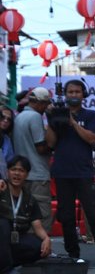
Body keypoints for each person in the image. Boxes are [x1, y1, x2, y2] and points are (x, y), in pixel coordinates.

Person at [46, 79, 95, 267]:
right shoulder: (57, 115)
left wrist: (72, 122)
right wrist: (52, 120)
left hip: (83, 172)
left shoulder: (90, 115)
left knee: (93, 214)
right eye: (70, 92)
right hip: (62, 172)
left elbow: (91, 138)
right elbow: (50, 143)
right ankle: (73, 255)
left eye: (77, 92)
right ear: (65, 95)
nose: (73, 95)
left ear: (83, 94)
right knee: (65, 216)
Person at [0, 156, 51, 274]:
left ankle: (8, 265)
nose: (17, 173)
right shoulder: (1, 188)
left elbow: (37, 226)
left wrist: (46, 238)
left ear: (27, 174)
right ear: (8, 172)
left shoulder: (29, 199)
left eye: (21, 170)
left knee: (39, 246)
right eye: (13, 169)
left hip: (14, 240)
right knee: (3, 224)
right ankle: (6, 271)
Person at [12, 87, 53, 232]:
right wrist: (53, 143)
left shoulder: (20, 116)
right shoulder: (35, 117)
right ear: (40, 103)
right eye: (46, 104)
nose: (46, 108)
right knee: (42, 214)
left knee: (26, 214)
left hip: (24, 174)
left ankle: (30, 248)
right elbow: (41, 147)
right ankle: (42, 248)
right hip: (38, 175)